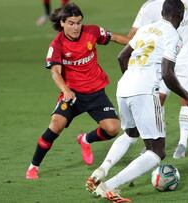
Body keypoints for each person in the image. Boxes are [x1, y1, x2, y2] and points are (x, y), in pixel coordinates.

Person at [85, 0, 188, 201]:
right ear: (180, 16)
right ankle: (109, 186)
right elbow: (167, 73)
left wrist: (133, 79)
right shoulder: (174, 36)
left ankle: (101, 171)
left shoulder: (146, 29)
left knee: (131, 133)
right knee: (156, 152)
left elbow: (122, 57)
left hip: (124, 86)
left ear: (162, 12)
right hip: (145, 90)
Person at [26, 3, 130, 180]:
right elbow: (55, 73)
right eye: (71, 23)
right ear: (62, 23)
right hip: (72, 95)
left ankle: (85, 139)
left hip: (96, 91)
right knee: (55, 125)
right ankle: (33, 166)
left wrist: (138, 43)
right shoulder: (57, 45)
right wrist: (66, 90)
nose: (76, 27)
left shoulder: (92, 32)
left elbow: (115, 38)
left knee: (112, 129)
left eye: (79, 22)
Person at [128, 0, 188, 159]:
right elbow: (134, 34)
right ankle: (156, 143)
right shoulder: (150, 6)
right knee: (157, 100)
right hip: (163, 59)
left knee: (186, 99)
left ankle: (182, 143)